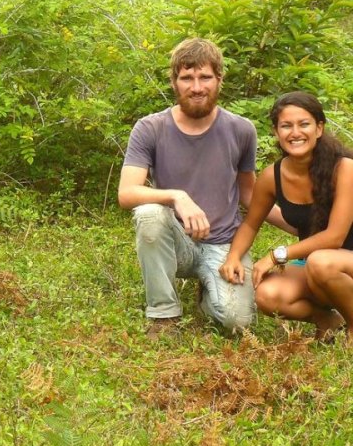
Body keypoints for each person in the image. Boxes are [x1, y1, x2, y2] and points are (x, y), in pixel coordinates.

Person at [118, 38, 289, 337]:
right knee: (149, 213)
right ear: (174, 82)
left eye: (205, 77)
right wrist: (176, 196)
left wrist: (301, 225)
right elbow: (127, 193)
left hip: (223, 244)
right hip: (176, 242)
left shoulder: (241, 129)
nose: (197, 87)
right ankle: (163, 315)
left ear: (219, 80)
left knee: (236, 323)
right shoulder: (150, 128)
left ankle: (208, 295)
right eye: (187, 78)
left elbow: (249, 194)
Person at [219, 91, 353, 341]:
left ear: (319, 128)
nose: (295, 133)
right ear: (276, 132)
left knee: (321, 262)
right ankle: (327, 318)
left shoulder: (345, 168)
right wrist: (234, 257)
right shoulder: (272, 176)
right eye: (286, 126)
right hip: (318, 267)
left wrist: (276, 255)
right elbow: (250, 224)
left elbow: (335, 237)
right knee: (267, 295)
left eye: (304, 124)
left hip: (337, 262)